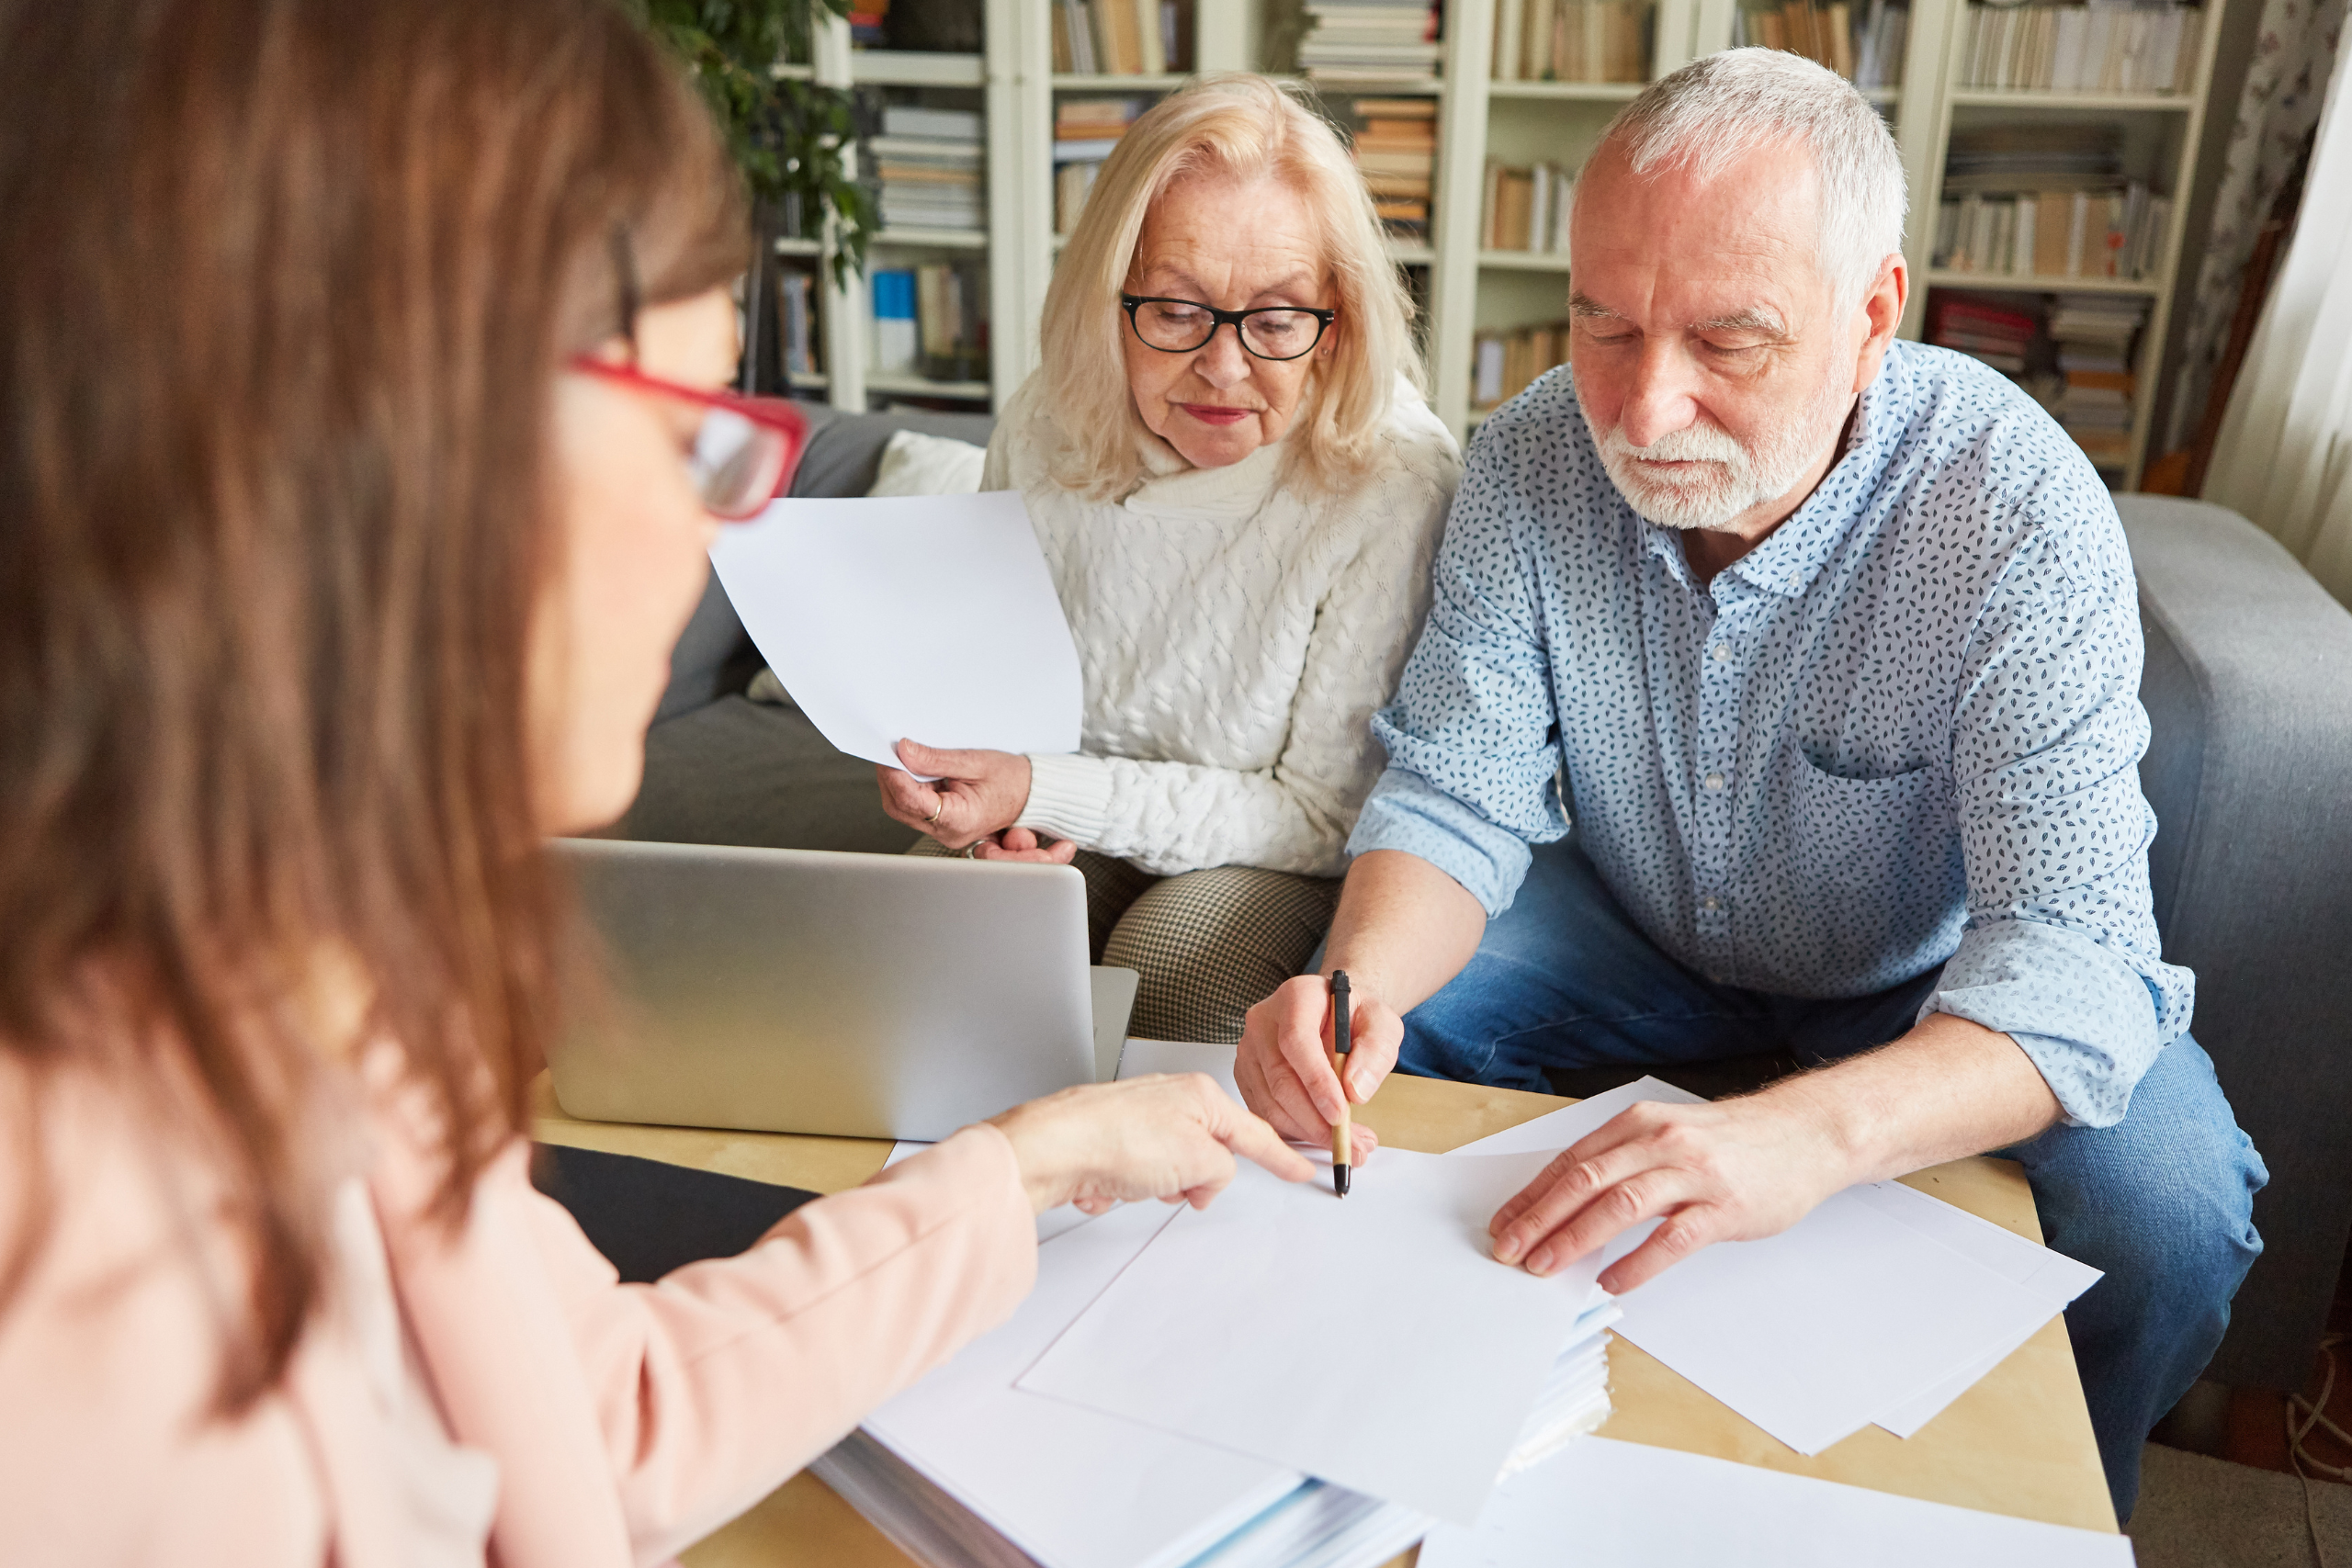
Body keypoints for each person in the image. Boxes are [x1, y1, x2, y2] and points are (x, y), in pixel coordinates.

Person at [0, 4, 1314, 1562]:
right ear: (382, 440)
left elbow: (599, 1419)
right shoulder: (74, 1268)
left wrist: (1031, 1162)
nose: (720, 531)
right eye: (694, 438)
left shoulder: (331, 1001)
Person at [1233, 50, 2265, 1518]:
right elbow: (1458, 792)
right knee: (1378, 1051)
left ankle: (2043, 1514)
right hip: (1626, 925)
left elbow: (2077, 950)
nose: (1645, 408)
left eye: (1729, 342)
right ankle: (1427, 1461)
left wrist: (1811, 1133)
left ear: (1871, 318)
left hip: (1929, 979)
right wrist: (1350, 989)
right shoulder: (1532, 456)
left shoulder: (2014, 505)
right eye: (1605, 326)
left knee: (2170, 1203)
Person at [874, 74, 1461, 1047]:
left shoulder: (1391, 477)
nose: (1224, 369)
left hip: (1267, 848)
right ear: (1108, 299)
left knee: (1170, 984)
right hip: (1066, 802)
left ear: (1340, 319)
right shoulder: (1047, 420)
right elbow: (995, 683)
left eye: (1276, 320)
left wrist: (1042, 787)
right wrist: (986, 809)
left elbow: (1321, 816)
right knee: (911, 941)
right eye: (1177, 311)